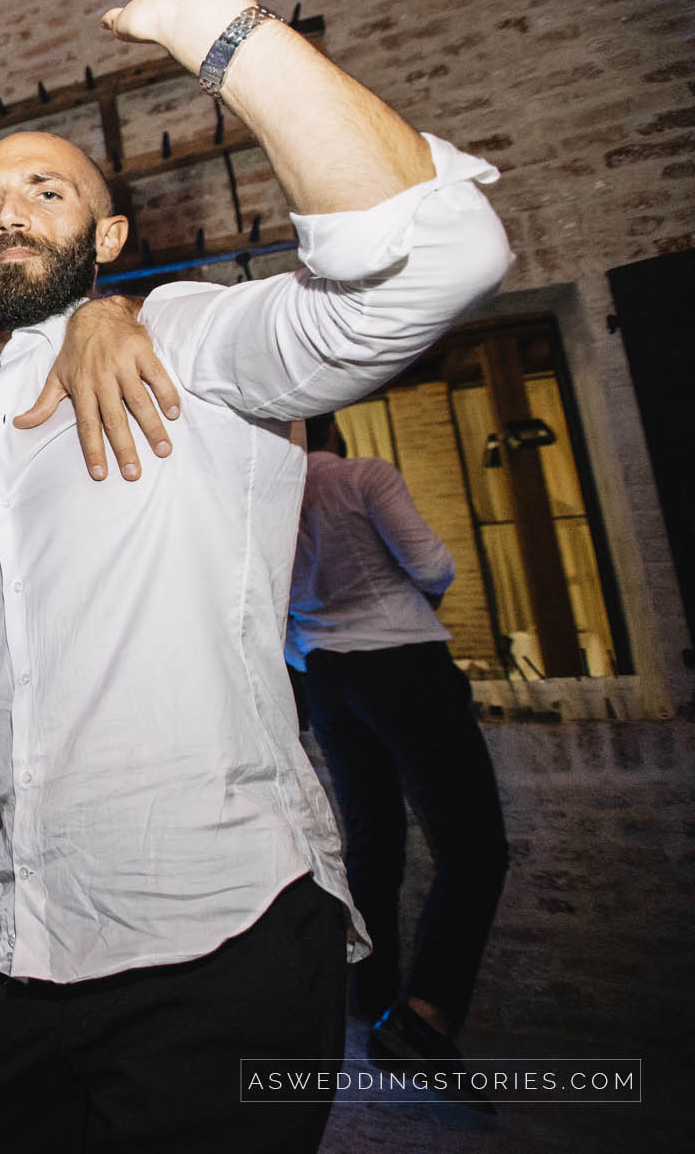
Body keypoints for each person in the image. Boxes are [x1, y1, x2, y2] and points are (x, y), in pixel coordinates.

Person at [0, 0, 513, 1151]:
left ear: (104, 232)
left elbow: (441, 261)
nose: (1, 212)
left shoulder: (189, 339)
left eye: (39, 189)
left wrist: (221, 27)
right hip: (15, 938)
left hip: (215, 936)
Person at [287, 413, 510, 1073]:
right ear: (337, 433)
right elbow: (432, 563)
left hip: (325, 674)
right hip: (400, 660)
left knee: (374, 837)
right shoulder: (363, 475)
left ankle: (372, 997)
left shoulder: (271, 497)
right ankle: (424, 1015)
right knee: (475, 846)